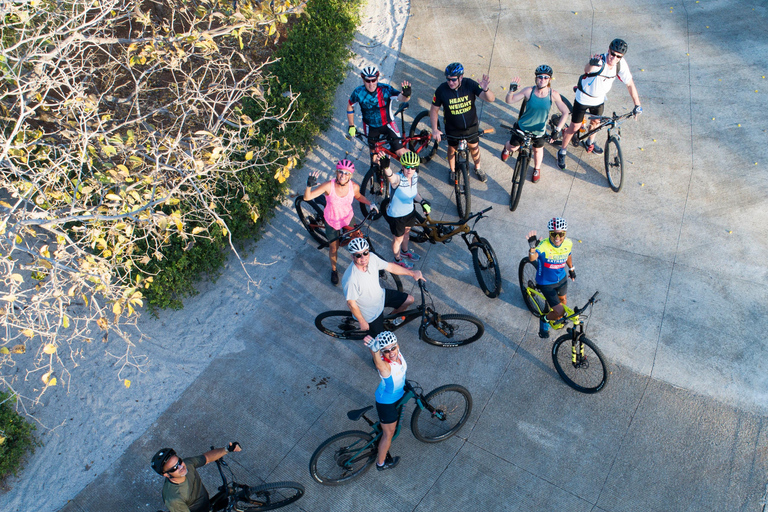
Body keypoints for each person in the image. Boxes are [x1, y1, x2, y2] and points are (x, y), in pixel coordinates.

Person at [557, 38, 642, 170]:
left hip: (599, 99)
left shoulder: (621, 64)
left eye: (618, 56)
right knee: (574, 127)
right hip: (584, 98)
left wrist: (637, 104)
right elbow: (587, 70)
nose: (614, 58)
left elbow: (630, 84)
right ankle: (562, 151)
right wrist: (591, 64)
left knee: (595, 124)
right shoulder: (599, 61)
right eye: (612, 54)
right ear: (608, 50)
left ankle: (590, 142)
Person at [304, 159, 376, 286]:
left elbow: (358, 196)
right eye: (340, 172)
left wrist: (370, 203)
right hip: (332, 221)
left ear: (351, 175)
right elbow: (307, 197)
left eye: (347, 173)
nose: (343, 175)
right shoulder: (328, 186)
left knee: (357, 240)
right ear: (336, 172)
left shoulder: (354, 187)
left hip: (347, 218)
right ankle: (334, 270)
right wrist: (309, 185)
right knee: (333, 247)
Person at [501, 65, 571, 183]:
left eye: (545, 77)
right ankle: (506, 149)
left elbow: (565, 112)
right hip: (522, 127)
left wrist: (557, 130)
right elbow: (509, 101)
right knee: (513, 147)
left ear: (549, 79)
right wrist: (510, 92)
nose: (542, 80)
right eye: (540, 77)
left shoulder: (553, 94)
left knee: (538, 150)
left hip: (539, 130)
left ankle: (537, 169)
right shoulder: (529, 91)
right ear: (536, 78)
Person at [342, 237, 424, 336]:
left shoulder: (372, 258)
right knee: (379, 341)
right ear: (352, 256)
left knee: (409, 300)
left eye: (365, 253)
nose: (363, 258)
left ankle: (389, 320)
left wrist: (412, 273)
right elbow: (351, 304)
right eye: (358, 255)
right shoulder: (350, 278)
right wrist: (362, 321)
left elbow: (390, 266)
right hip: (370, 312)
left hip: (381, 295)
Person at [430, 62, 495, 183]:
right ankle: (453, 171)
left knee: (474, 148)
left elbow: (491, 99)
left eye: (454, 80)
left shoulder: (469, 84)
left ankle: (478, 168)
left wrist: (486, 90)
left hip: (471, 126)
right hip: (452, 128)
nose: (450, 83)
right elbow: (434, 109)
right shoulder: (441, 90)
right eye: (448, 79)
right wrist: (434, 129)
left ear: (461, 77)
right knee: (451, 149)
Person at [347, 66, 411, 167]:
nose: (371, 84)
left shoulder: (386, 89)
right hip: (370, 126)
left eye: (373, 80)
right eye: (368, 81)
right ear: (363, 80)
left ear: (377, 78)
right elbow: (350, 106)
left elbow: (401, 98)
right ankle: (377, 174)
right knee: (374, 155)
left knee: (400, 152)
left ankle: (413, 168)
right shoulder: (358, 92)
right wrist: (351, 125)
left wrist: (407, 95)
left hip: (388, 124)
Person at [151, 442, 242, 512]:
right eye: (174, 468)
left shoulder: (187, 464)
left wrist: (227, 449)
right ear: (166, 474)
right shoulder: (174, 499)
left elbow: (206, 458)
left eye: (179, 461)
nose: (181, 467)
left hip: (206, 502)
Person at [526, 217, 575, 339]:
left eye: (560, 234)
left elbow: (568, 255)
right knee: (560, 311)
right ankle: (544, 319)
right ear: (549, 234)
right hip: (546, 283)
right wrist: (532, 247)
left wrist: (571, 269)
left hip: (561, 279)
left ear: (565, 234)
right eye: (553, 234)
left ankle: (555, 316)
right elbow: (532, 258)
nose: (557, 238)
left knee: (563, 302)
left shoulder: (568, 243)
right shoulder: (543, 245)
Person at [363, 331, 406, 471]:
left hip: (395, 394)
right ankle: (381, 464)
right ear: (381, 353)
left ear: (397, 345)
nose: (391, 352)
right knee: (388, 434)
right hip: (386, 403)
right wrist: (375, 352)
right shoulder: (386, 367)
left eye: (393, 348)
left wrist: (376, 348)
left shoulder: (397, 355)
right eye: (386, 351)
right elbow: (379, 364)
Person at [383, 150, 431, 270]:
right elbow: (391, 177)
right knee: (397, 239)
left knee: (407, 234)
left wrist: (423, 202)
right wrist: (386, 167)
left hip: (409, 212)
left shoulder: (414, 176)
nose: (410, 170)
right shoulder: (398, 179)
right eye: (407, 167)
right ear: (402, 166)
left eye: (413, 167)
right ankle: (397, 259)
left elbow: (414, 193)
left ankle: (405, 251)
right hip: (397, 216)